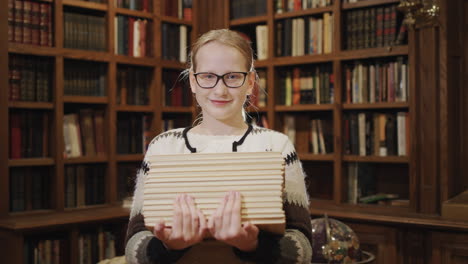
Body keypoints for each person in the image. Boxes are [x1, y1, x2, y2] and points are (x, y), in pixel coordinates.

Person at [125, 29, 312, 264]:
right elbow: (134, 250)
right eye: (208, 76)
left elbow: (302, 250)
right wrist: (169, 248)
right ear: (193, 81)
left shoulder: (275, 146)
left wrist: (252, 246)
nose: (220, 89)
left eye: (233, 77)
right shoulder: (162, 147)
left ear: (250, 82)